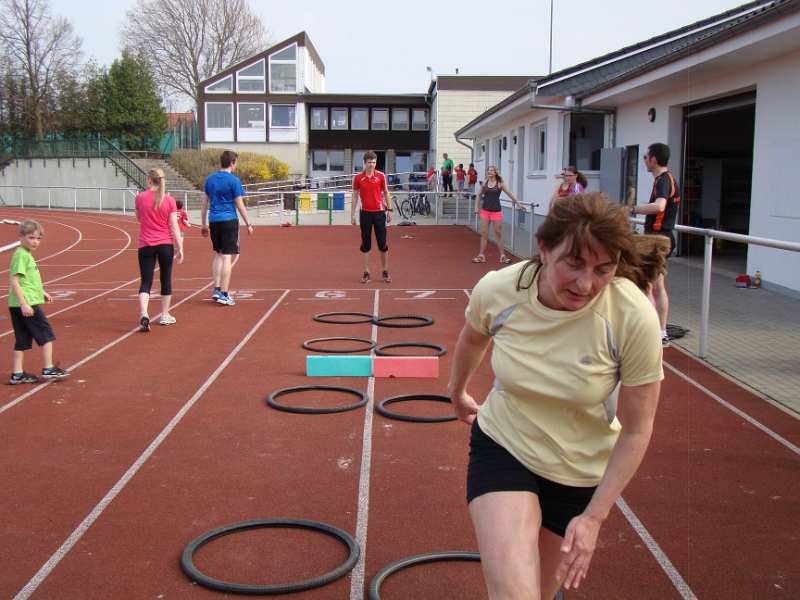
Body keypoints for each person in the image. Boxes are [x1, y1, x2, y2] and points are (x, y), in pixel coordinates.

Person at [449, 192, 664, 599]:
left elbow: (638, 430)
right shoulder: (500, 289)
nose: (586, 284)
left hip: (579, 471)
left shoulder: (632, 316)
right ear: (544, 249)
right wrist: (457, 392)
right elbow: (472, 338)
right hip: (505, 446)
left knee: (540, 593)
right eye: (574, 263)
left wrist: (595, 517)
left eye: (603, 269)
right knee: (515, 594)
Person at [7, 219, 69, 384]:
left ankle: (17, 373)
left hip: (17, 304)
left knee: (22, 340)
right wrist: (24, 304)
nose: (35, 242)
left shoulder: (25, 254)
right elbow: (15, 281)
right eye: (31, 238)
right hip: (26, 304)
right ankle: (48, 368)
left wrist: (42, 292)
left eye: (38, 238)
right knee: (46, 334)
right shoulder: (22, 255)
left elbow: (28, 280)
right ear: (21, 237)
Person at [631, 143, 680, 346]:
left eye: (645, 157)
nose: (644, 160)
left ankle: (654, 332)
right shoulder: (665, 180)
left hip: (658, 239)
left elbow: (659, 206)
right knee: (656, 286)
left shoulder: (664, 181)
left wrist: (633, 209)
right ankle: (660, 332)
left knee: (648, 286)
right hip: (660, 238)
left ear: (653, 159)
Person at [201, 150, 254, 306]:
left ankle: (217, 289)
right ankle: (224, 293)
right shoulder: (234, 181)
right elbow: (240, 204)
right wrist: (248, 223)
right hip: (229, 220)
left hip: (214, 220)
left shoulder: (210, 179)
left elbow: (204, 203)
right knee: (226, 257)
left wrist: (203, 224)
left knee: (218, 254)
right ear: (232, 163)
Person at [135, 168, 184, 331]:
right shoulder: (169, 200)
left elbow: (139, 218)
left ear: (149, 180)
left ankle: (144, 313)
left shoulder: (140, 198)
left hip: (145, 244)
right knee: (165, 279)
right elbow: (174, 226)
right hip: (165, 244)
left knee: (146, 280)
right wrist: (180, 247)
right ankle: (164, 314)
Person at [351, 150, 393, 283]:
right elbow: (354, 196)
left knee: (382, 243)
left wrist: (390, 210)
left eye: (374, 162)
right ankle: (366, 272)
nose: (372, 165)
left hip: (379, 213)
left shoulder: (381, 176)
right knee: (366, 244)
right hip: (365, 214)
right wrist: (352, 214)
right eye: (369, 162)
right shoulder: (358, 178)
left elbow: (386, 192)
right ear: (364, 163)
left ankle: (385, 271)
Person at [472, 165, 525, 264]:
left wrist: (518, 204)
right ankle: (481, 255)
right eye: (488, 170)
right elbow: (478, 194)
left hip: (496, 212)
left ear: (495, 172)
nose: (489, 172)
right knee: (484, 233)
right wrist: (476, 207)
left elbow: (510, 194)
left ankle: (503, 256)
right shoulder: (485, 183)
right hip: (485, 211)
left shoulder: (500, 184)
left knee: (498, 233)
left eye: (492, 170)